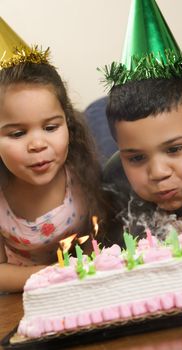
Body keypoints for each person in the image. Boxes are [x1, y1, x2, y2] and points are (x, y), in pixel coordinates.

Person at [101, 0, 182, 254]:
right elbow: (110, 249)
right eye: (136, 157)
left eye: (174, 149)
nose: (158, 173)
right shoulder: (115, 178)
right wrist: (164, 231)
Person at [0, 46, 109, 292]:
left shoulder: (81, 169)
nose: (38, 145)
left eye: (50, 128)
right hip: (27, 293)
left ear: (68, 123)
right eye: (18, 133)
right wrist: (57, 273)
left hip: (90, 282)